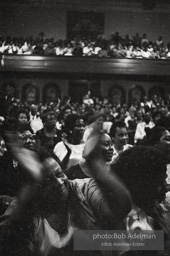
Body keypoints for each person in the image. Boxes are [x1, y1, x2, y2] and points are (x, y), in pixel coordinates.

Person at [0, 132, 132, 256]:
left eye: (59, 174)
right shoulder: (24, 208)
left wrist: (98, 168)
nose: (58, 183)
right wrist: (27, 197)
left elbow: (121, 206)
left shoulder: (82, 188)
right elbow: (7, 245)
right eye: (47, 181)